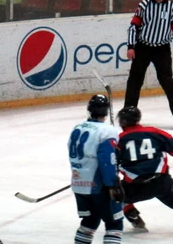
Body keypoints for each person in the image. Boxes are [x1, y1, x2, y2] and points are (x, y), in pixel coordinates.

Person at [125, 0, 173, 129]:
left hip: (162, 49)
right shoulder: (144, 5)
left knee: (167, 81)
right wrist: (131, 46)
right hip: (143, 47)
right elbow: (133, 26)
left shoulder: (171, 8)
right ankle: (128, 115)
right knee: (135, 80)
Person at [68, 94, 124, 244]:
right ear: (106, 112)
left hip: (78, 184)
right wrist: (111, 184)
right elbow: (107, 160)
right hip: (99, 186)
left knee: (90, 221)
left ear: (89, 110)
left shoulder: (77, 128)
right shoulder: (107, 131)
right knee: (114, 223)